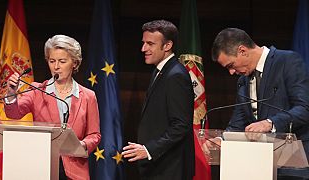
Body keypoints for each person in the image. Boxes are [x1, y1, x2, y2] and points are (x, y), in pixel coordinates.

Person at [211, 28, 309, 178]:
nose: (231, 72)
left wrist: (270, 123)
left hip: (292, 164)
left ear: (242, 50)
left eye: (231, 65)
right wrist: (221, 140)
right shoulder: (243, 80)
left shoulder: (287, 61)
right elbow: (238, 122)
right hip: (260, 165)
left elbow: (304, 108)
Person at [4, 35, 101, 180]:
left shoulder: (88, 96)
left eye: (62, 61)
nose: (56, 67)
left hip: (74, 172)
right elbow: (13, 114)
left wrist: (81, 145)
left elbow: (94, 135)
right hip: (42, 168)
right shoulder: (36, 90)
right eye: (52, 61)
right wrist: (11, 93)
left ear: (74, 63)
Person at [121, 20, 195, 180]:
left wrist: (148, 150)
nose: (143, 49)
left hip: (169, 168)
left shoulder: (176, 75)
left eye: (150, 44)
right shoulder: (161, 71)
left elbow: (181, 126)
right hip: (158, 166)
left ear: (167, 46)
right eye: (143, 43)